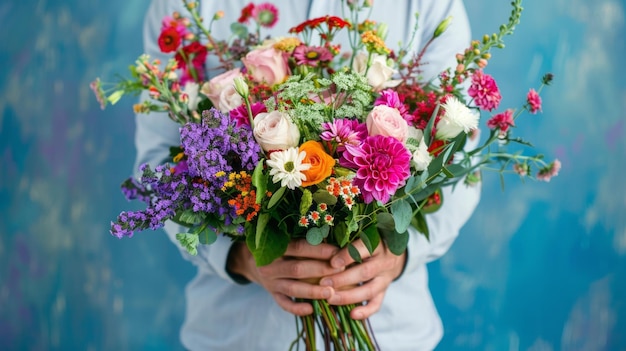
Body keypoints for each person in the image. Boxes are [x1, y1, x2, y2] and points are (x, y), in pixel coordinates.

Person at [134, 0, 480, 350]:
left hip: (389, 333)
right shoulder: (183, 8)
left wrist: (398, 255)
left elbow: (460, 162)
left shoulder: (430, 5)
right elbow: (159, 170)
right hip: (241, 335)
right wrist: (238, 258)